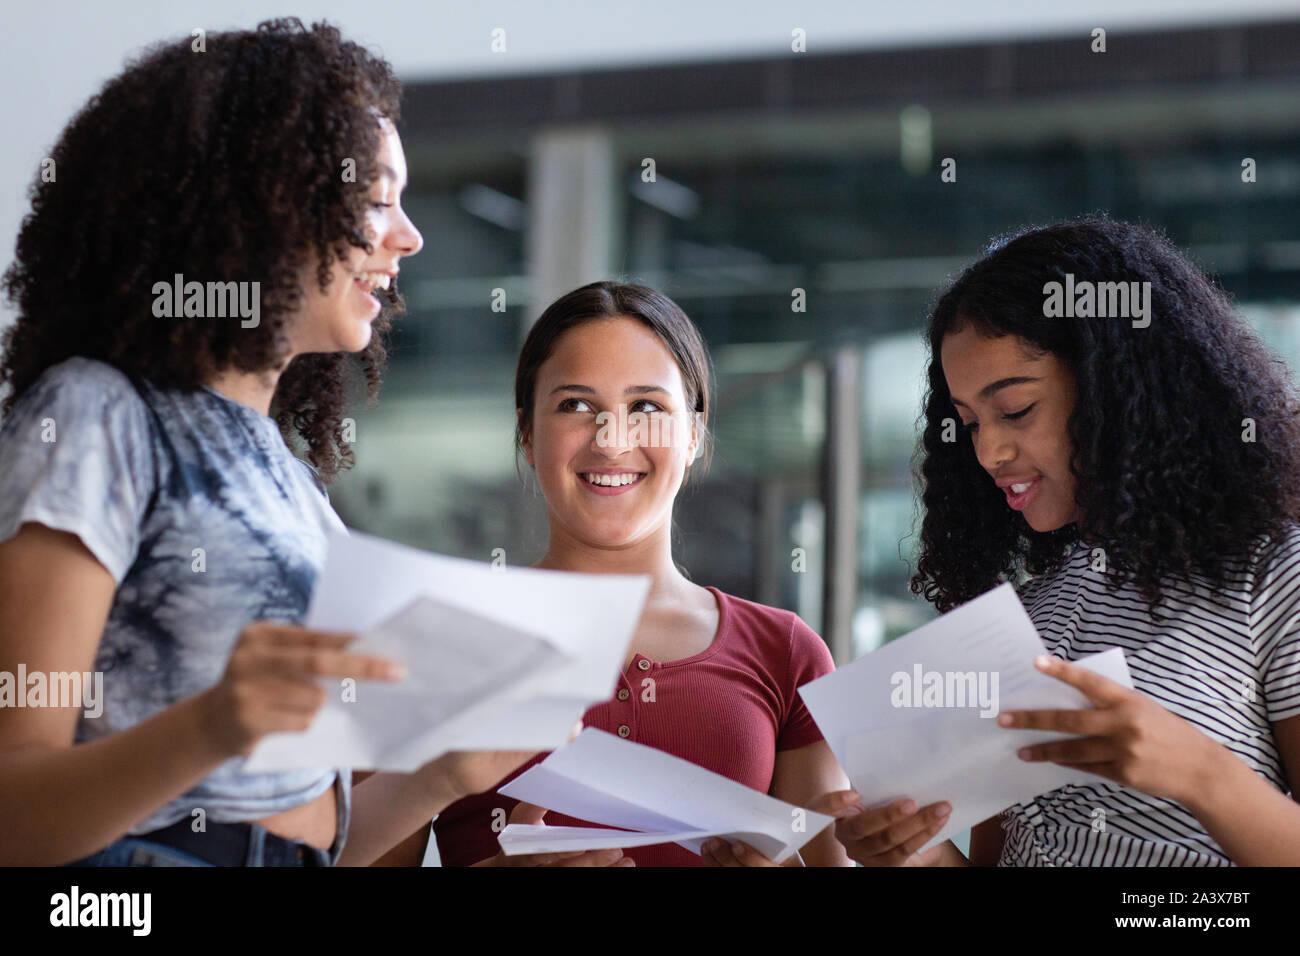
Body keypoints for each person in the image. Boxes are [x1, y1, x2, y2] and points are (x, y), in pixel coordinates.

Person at [0, 18, 537, 868]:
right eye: (376, 201)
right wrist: (212, 724)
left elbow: (307, 836)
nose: (409, 236)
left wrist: (446, 775)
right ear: (261, 204)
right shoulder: (98, 417)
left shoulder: (290, 484)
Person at [825, 217, 1300, 866]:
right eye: (969, 423)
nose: (990, 450)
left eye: (1015, 409)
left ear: (1119, 387)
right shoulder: (1028, 615)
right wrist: (916, 853)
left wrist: (1201, 773)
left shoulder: (1274, 576)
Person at [378, 281, 853, 867]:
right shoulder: (431, 641)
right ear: (527, 434)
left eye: (647, 407)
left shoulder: (787, 652)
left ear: (694, 436)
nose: (612, 439)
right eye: (576, 405)